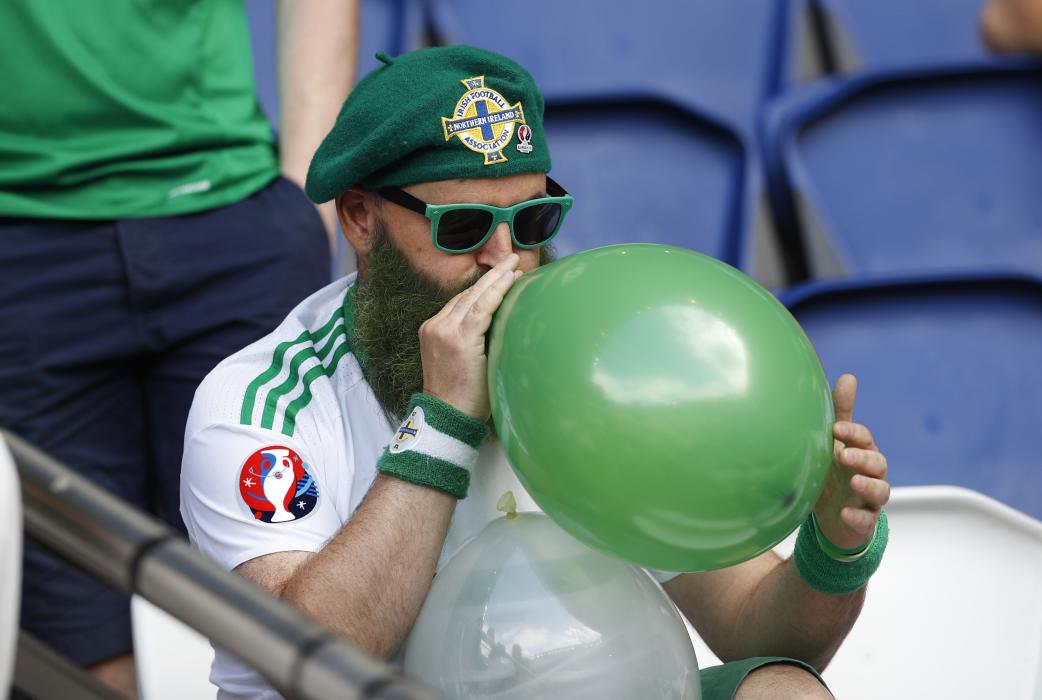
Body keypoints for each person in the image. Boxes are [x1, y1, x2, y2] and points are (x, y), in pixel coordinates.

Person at [181, 45, 892, 700]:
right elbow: (313, 662)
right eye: (461, 228)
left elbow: (762, 636)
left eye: (532, 223)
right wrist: (442, 427)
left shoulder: (591, 362)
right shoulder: (258, 403)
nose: (504, 261)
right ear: (362, 219)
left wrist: (833, 547)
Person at [0, 1, 356, 696]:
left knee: (285, 617)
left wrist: (308, 202)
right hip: (19, 246)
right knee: (71, 646)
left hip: (230, 218)